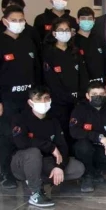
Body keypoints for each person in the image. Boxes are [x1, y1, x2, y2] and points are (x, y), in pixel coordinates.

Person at [0, 5, 41, 188]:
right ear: (5, 21)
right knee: (7, 136)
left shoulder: (28, 41)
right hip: (7, 101)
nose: (18, 23)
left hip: (28, 100)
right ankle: (6, 173)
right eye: (14, 20)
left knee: (28, 134)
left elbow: (36, 70)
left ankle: (25, 170)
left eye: (21, 20)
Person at [10, 86, 85, 206]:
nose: (43, 102)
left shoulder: (53, 120)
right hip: (22, 162)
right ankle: (36, 192)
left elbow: (62, 146)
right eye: (38, 99)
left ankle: (37, 178)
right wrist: (51, 147)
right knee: (34, 152)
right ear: (30, 102)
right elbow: (21, 142)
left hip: (46, 161)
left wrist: (59, 167)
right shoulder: (20, 118)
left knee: (78, 168)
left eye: (46, 98)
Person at [70, 81, 106, 192]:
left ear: (105, 94)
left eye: (101, 94)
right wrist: (99, 137)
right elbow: (74, 131)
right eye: (94, 94)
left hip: (102, 149)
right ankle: (87, 175)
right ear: (88, 96)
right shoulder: (79, 110)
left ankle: (96, 170)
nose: (98, 97)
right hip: (85, 148)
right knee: (83, 147)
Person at [42, 17, 82, 148]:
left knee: (76, 130)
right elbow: (51, 80)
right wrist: (66, 97)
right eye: (60, 30)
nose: (64, 33)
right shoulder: (48, 53)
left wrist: (80, 95)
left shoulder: (75, 52)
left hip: (77, 100)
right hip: (59, 102)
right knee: (62, 131)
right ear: (54, 33)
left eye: (67, 30)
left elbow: (83, 76)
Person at [76, 7, 106, 95]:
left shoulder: (99, 39)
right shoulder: (73, 41)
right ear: (77, 20)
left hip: (101, 87)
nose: (86, 21)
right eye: (83, 19)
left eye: (89, 19)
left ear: (94, 21)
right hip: (83, 89)